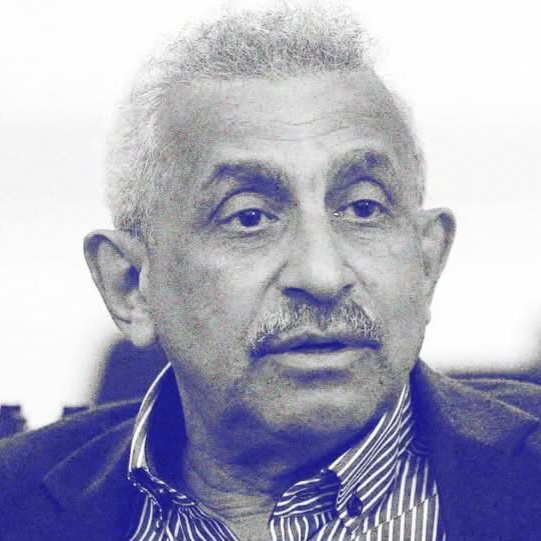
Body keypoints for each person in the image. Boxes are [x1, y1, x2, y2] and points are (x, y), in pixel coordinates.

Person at [1, 5, 540, 541]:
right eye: (249, 217)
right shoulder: (15, 501)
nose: (323, 276)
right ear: (129, 286)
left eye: (363, 208)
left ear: (427, 261)